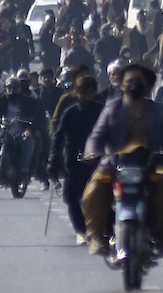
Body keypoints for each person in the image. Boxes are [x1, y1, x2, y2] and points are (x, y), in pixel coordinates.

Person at [81, 63, 163, 257]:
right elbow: (96, 136)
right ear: (121, 85)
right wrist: (93, 152)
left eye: (139, 81)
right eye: (130, 81)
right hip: (115, 165)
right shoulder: (111, 109)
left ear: (148, 85)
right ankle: (95, 236)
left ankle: (161, 237)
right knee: (93, 190)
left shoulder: (160, 111)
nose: (134, 85)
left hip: (150, 165)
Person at [48, 75, 103, 246]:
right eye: (83, 93)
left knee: (98, 196)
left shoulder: (102, 111)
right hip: (72, 160)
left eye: (91, 92)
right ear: (77, 93)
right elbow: (58, 137)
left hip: (97, 160)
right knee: (71, 198)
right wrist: (53, 160)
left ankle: (100, 228)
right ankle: (81, 230)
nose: (87, 96)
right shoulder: (70, 112)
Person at [0, 76, 47, 181]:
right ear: (6, 88)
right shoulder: (1, 98)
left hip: (19, 131)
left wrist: (28, 129)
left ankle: (24, 171)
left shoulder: (28, 101)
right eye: (9, 88)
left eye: (15, 88)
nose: (12, 91)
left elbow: (35, 117)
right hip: (2, 130)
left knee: (28, 142)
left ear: (19, 88)